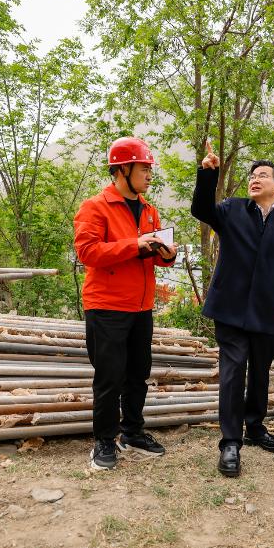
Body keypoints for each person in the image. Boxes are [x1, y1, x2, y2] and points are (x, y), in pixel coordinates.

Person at [191, 142, 274, 478]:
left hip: (268, 310)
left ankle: (255, 427)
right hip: (230, 308)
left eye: (263, 175)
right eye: (252, 175)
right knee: (233, 371)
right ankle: (230, 442)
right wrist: (208, 174)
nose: (255, 179)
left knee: (260, 373)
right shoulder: (232, 209)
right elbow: (201, 209)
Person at [73, 137, 178, 471]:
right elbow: (87, 252)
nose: (149, 174)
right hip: (107, 306)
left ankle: (132, 433)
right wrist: (135, 244)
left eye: (149, 169)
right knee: (109, 377)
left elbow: (153, 256)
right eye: (144, 168)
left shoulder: (148, 210)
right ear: (122, 169)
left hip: (141, 307)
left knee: (138, 374)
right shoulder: (95, 206)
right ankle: (105, 440)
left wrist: (167, 254)